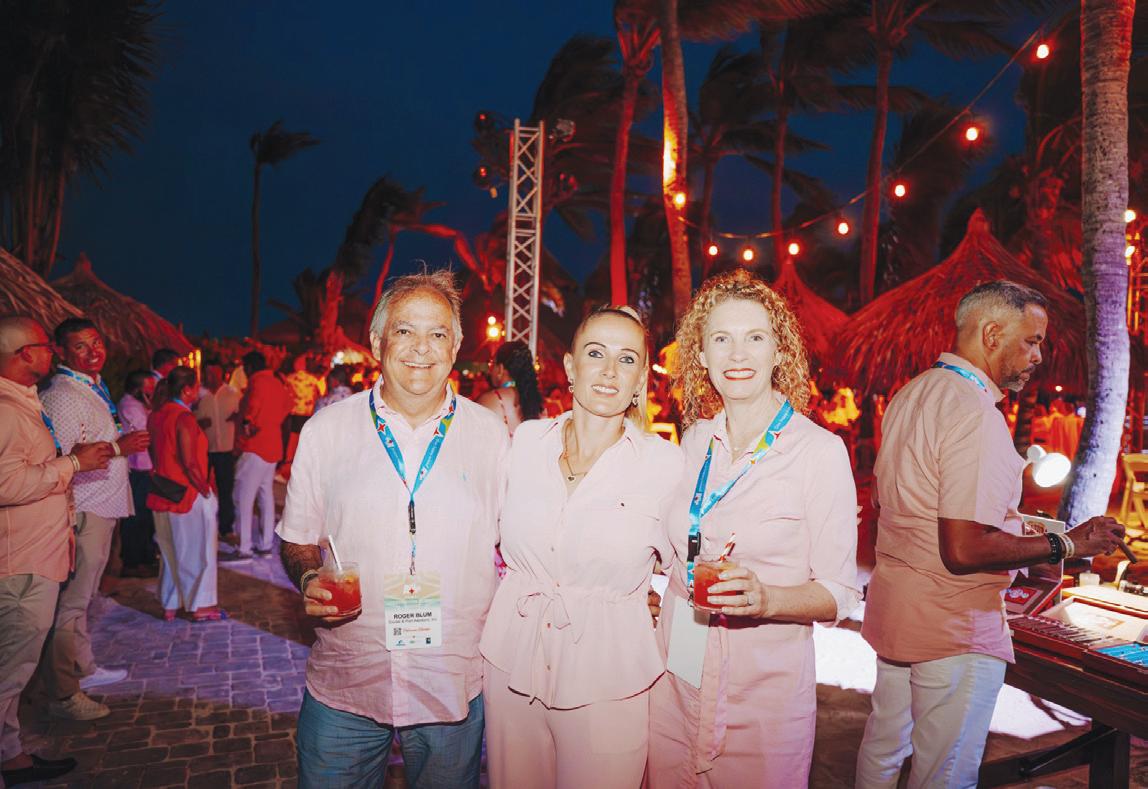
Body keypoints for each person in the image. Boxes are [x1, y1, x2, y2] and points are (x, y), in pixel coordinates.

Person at [855, 281, 1127, 789]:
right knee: (945, 773)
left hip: (899, 611)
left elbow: (901, 507)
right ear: (992, 333)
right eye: (1032, 341)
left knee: (883, 748)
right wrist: (1067, 543)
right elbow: (963, 548)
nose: (1038, 356)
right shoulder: (972, 412)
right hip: (952, 627)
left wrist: (1017, 532)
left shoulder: (914, 393)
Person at [278, 270, 507, 788]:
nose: (421, 348)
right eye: (405, 331)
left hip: (451, 681)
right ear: (378, 341)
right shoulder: (326, 431)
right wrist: (309, 577)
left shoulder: (492, 436)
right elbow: (297, 538)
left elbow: (520, 543)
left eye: (438, 333)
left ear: (456, 347)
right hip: (348, 679)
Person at [646, 269, 860, 788]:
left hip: (763, 692)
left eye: (755, 338)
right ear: (701, 355)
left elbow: (840, 593)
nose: (737, 354)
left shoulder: (819, 453)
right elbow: (674, 546)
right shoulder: (693, 441)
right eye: (721, 339)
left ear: (779, 352)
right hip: (677, 673)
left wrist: (767, 599)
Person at [480, 306, 684, 788]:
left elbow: (689, 577)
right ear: (570, 367)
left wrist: (653, 615)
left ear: (641, 380)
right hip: (512, 662)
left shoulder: (666, 465)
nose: (610, 370)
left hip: (609, 672)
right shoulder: (525, 443)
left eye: (627, 359)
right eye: (596, 354)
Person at [0, 317, 114, 786]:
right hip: (21, 557)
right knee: (12, 667)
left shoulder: (23, 401)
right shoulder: (8, 410)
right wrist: (73, 463)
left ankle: (11, 754)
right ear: (24, 354)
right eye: (47, 345)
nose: (53, 352)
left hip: (37, 549)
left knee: (16, 666)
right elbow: (7, 483)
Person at [39, 318, 149, 720]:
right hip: (85, 507)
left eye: (96, 342)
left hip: (101, 504)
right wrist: (120, 448)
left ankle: (82, 667)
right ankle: (63, 692)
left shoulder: (88, 387)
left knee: (82, 600)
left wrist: (118, 447)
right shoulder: (63, 396)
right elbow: (63, 459)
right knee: (71, 603)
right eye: (80, 347)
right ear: (61, 352)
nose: (93, 352)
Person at [148, 366, 223, 622]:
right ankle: (200, 606)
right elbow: (189, 462)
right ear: (187, 390)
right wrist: (205, 490)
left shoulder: (156, 414)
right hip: (187, 495)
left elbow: (154, 452)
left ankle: (170, 603)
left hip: (162, 491)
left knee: (170, 552)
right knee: (198, 552)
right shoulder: (184, 418)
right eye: (196, 386)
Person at [232, 351, 292, 559]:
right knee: (265, 496)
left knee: (243, 497)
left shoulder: (257, 382)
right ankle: (265, 544)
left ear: (249, 367)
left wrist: (247, 423)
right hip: (273, 446)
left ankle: (244, 547)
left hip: (255, 447)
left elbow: (252, 410)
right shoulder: (277, 382)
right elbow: (287, 407)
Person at [194, 362, 241, 544]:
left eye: (215, 373)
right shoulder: (198, 395)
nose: (212, 377)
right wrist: (199, 424)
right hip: (203, 450)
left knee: (225, 489)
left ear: (222, 374)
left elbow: (242, 416)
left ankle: (226, 528)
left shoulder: (233, 394)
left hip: (226, 449)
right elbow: (187, 419)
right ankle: (200, 525)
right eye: (209, 373)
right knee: (200, 488)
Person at [117, 370, 158, 578]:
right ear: (137, 388)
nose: (153, 390)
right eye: (149, 386)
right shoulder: (130, 405)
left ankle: (144, 557)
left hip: (144, 466)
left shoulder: (140, 405)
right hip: (138, 468)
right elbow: (146, 431)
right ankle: (133, 561)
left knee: (145, 515)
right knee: (137, 516)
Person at [477, 340, 543, 436]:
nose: (490, 370)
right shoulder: (538, 404)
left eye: (492, 364)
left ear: (500, 369)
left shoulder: (491, 400)